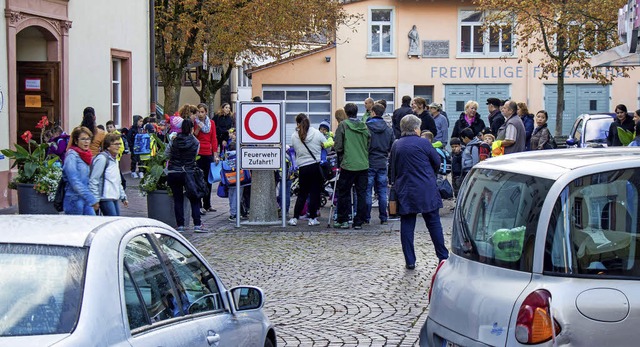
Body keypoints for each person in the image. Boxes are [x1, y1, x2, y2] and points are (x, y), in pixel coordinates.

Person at [389, 114, 448, 269]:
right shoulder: (424, 143)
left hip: (406, 189)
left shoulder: (397, 144)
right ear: (416, 128)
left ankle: (410, 260)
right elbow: (436, 162)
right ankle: (442, 256)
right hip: (425, 187)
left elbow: (393, 168)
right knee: (434, 222)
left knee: (407, 224)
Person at [334, 103, 371, 229]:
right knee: (361, 194)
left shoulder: (343, 125)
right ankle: (358, 221)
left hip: (348, 164)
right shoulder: (364, 126)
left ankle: (343, 219)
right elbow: (368, 144)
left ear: (346, 112)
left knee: (343, 193)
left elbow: (338, 145)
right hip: (363, 164)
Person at [165, 119, 205, 232]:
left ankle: (180, 225)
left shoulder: (174, 140)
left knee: (178, 199)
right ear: (192, 129)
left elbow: (167, 153)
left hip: (174, 172)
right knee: (194, 197)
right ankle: (197, 224)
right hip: (189, 172)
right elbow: (195, 154)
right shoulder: (196, 142)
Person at [288, 113, 327, 226]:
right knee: (315, 193)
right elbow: (326, 145)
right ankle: (313, 218)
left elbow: (295, 150)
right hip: (315, 166)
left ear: (297, 123)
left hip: (303, 167)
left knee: (302, 194)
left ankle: (295, 218)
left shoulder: (294, 136)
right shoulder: (316, 133)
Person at [365, 103, 394, 225]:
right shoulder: (388, 129)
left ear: (372, 112)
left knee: (367, 191)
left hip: (369, 161)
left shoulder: (366, 127)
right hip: (382, 161)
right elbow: (392, 146)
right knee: (382, 191)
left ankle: (366, 217)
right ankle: (383, 217)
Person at [63, 126, 99, 215]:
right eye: (83, 139)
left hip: (85, 199)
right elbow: (74, 180)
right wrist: (91, 198)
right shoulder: (71, 156)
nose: (86, 142)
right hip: (74, 200)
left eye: (88, 139)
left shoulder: (85, 155)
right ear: (76, 141)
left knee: (92, 225)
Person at [89, 133, 128, 216]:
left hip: (114, 196)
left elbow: (117, 180)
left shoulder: (115, 160)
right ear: (108, 146)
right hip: (105, 197)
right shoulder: (102, 158)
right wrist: (95, 199)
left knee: (116, 220)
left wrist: (123, 196)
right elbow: (94, 179)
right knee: (113, 221)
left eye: (119, 144)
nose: (119, 146)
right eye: (116, 144)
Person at [194, 103, 219, 215]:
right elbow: (193, 137)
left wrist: (215, 154)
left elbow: (213, 139)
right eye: (199, 112)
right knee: (198, 179)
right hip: (198, 153)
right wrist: (198, 129)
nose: (200, 114)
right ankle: (198, 205)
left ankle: (207, 204)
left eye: (202, 112)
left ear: (206, 112)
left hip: (208, 153)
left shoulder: (211, 123)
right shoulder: (194, 123)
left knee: (208, 180)